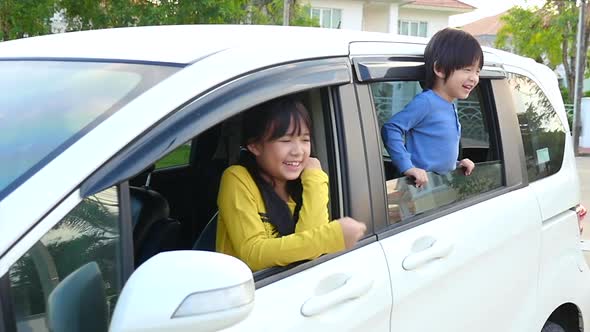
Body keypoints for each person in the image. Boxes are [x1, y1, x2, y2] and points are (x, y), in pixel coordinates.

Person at [216, 97, 366, 272]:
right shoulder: (237, 178)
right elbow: (252, 253)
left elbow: (310, 252)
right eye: (286, 141)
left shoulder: (305, 183)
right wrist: (332, 237)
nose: (298, 151)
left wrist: (315, 177)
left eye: (305, 140)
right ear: (255, 145)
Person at [381, 28, 482, 188]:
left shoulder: (448, 104)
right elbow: (391, 128)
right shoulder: (427, 102)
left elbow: (432, 152)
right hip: (416, 189)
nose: (474, 78)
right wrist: (408, 166)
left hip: (436, 188)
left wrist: (456, 164)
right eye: (467, 69)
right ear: (440, 69)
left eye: (477, 71)